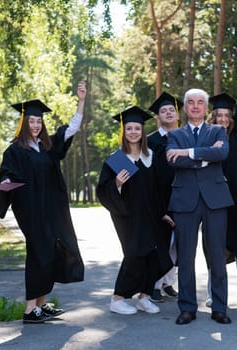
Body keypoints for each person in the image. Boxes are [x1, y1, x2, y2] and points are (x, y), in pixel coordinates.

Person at [0, 82, 87, 323]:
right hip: (31, 211)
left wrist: (81, 101)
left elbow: (71, 129)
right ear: (23, 124)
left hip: (53, 210)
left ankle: (42, 304)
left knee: (52, 251)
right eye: (31, 122)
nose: (35, 125)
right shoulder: (15, 150)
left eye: (38, 122)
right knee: (38, 253)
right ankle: (29, 309)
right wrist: (5, 180)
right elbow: (8, 175)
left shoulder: (47, 148)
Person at [166, 88, 234, 325]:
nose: (195, 106)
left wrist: (188, 153)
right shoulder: (174, 135)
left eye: (200, 103)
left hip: (215, 199)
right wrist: (207, 156)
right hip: (185, 200)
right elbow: (173, 159)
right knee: (185, 257)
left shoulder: (218, 130)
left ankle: (219, 307)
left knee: (217, 256)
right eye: (191, 103)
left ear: (206, 108)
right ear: (184, 108)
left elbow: (223, 153)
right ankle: (187, 308)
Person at [97, 106, 173, 315]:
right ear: (124, 131)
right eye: (129, 128)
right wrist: (117, 184)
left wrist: (165, 211)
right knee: (135, 255)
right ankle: (118, 298)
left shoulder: (151, 156)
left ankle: (144, 297)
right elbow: (103, 190)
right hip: (128, 216)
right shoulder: (118, 158)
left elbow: (158, 188)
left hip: (152, 215)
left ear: (142, 131)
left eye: (137, 128)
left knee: (157, 257)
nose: (133, 132)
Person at [203, 62, 237, 307]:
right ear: (212, 117)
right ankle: (214, 294)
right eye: (219, 115)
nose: (223, 119)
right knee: (214, 248)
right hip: (214, 202)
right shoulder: (205, 138)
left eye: (227, 115)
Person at [146, 92, 183, 303]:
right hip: (159, 199)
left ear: (177, 114)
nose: (168, 113)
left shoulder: (185, 137)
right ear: (158, 116)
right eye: (163, 111)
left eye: (171, 109)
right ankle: (155, 284)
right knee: (161, 242)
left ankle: (169, 282)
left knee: (179, 245)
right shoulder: (150, 141)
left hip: (183, 198)